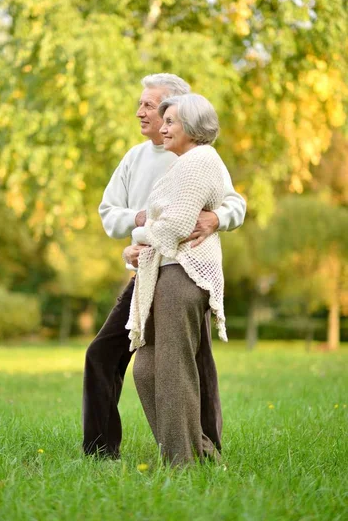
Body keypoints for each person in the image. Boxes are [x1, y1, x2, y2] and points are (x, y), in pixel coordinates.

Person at [82, 74, 246, 460]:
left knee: (194, 362)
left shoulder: (198, 157)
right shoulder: (135, 157)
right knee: (105, 354)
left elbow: (234, 203)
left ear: (177, 113)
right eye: (140, 104)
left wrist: (215, 219)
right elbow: (109, 214)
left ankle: (203, 449)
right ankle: (101, 451)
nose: (140, 112)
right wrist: (139, 226)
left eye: (150, 106)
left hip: (184, 269)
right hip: (147, 269)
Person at [126, 93, 228, 466]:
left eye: (170, 122)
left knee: (172, 371)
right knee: (147, 369)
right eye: (162, 120)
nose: (162, 128)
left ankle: (181, 465)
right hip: (163, 273)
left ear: (193, 127)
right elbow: (167, 228)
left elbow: (176, 226)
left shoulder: (199, 161)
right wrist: (137, 247)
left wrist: (138, 238)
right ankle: (200, 456)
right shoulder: (184, 164)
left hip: (182, 276)